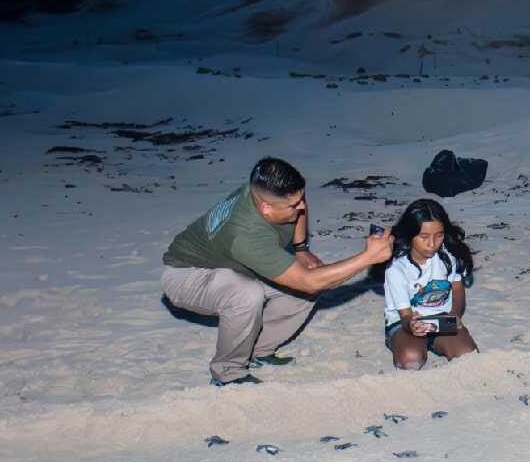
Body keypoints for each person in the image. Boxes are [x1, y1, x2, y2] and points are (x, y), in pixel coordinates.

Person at [162, 157, 395, 386]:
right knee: (247, 294)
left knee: (304, 284)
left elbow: (298, 204)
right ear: (266, 208)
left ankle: (258, 350)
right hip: (187, 274)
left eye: (301, 199)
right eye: (293, 206)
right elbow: (310, 282)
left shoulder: (263, 192)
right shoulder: (246, 234)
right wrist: (368, 258)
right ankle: (228, 373)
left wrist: (301, 249)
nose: (301, 207)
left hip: (232, 264)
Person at [381, 199, 478, 370]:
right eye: (424, 237)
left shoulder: (449, 256)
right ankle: (410, 343)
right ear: (410, 234)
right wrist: (411, 325)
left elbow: (457, 290)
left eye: (439, 235)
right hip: (405, 323)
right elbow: (405, 316)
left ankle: (434, 343)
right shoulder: (397, 267)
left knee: (468, 355)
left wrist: (455, 316)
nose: (432, 244)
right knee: (411, 359)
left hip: (443, 318)